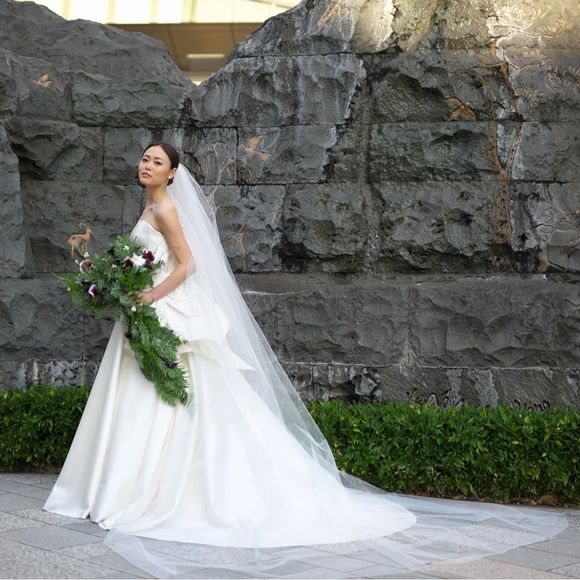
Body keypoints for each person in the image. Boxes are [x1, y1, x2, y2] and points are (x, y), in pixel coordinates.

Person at [44, 142, 568, 579]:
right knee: (138, 392)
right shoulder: (147, 208)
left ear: (173, 173)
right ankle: (116, 483)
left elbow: (188, 264)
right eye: (144, 158)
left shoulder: (166, 210)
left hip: (165, 310)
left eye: (157, 161)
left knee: (172, 395)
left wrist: (149, 297)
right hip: (143, 312)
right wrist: (115, 281)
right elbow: (147, 260)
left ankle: (146, 488)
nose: (147, 165)